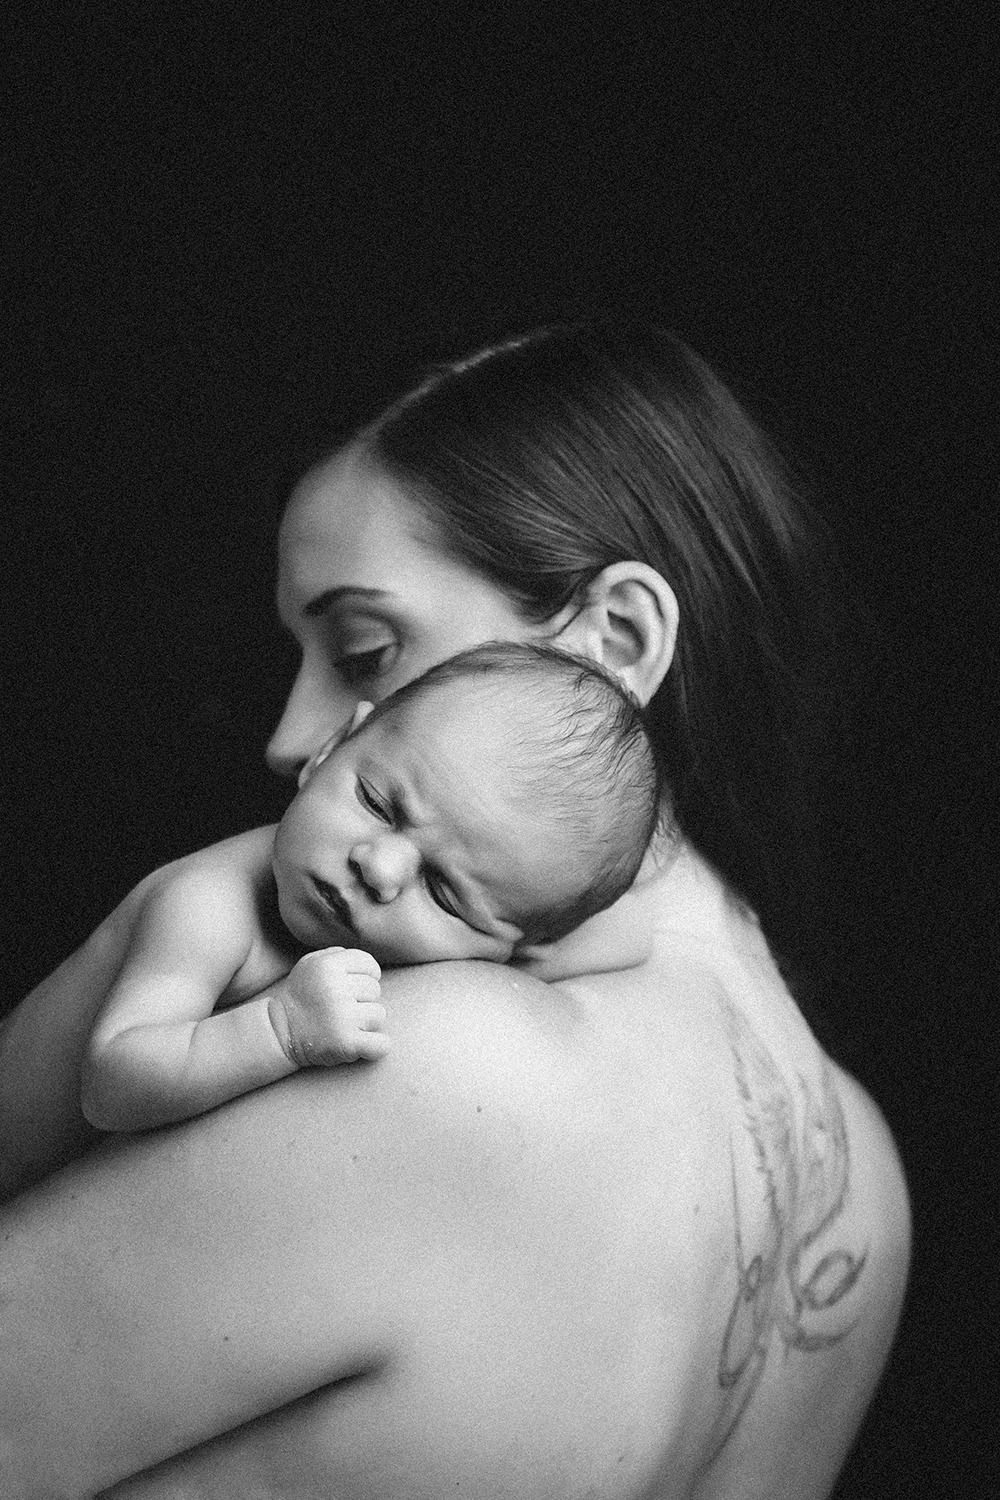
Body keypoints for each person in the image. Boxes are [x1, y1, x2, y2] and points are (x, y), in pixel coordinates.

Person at [0, 319, 910, 1500]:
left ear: (614, 641)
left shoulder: (438, 1060)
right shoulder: (865, 1189)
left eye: (367, 652)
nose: (289, 741)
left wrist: (133, 951)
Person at [25, 643, 661, 1143]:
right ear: (329, 748)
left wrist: (518, 942)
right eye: (377, 803)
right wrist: (282, 1030)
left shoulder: (496, 930)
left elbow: (631, 931)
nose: (380, 869)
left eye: (442, 892)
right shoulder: (210, 908)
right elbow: (111, 1084)